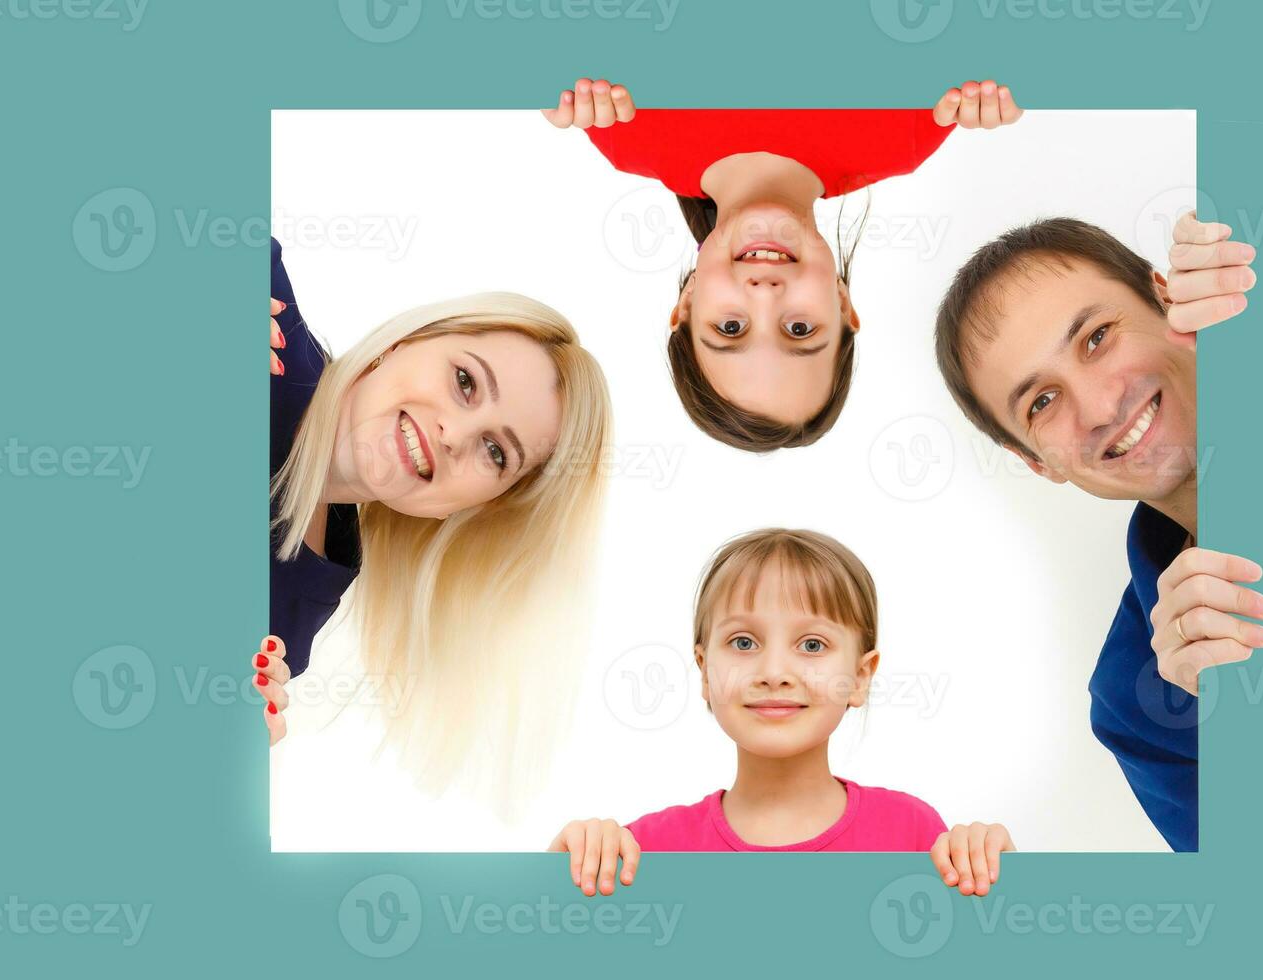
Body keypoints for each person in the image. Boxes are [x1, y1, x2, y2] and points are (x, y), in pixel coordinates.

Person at [932, 213, 1263, 852]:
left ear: (1170, 297)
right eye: (1041, 403)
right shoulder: (1135, 702)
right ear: (1037, 461)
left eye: (1096, 338)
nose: (1099, 408)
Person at [256, 238, 612, 805]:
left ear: (471, 509)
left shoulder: (285, 627)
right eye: (466, 382)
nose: (455, 434)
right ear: (400, 344)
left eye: (496, 452)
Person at [543, 77, 1024, 451]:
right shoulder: (907, 133)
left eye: (731, 327)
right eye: (799, 330)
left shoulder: (622, 128)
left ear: (687, 304)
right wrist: (1011, 74)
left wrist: (541, 67)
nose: (767, 292)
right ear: (840, 302)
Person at [548, 529, 1014, 896]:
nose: (774, 672)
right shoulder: (641, 852)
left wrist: (999, 876)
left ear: (861, 676)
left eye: (812, 645)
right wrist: (561, 873)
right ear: (705, 671)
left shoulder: (913, 833)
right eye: (743, 643)